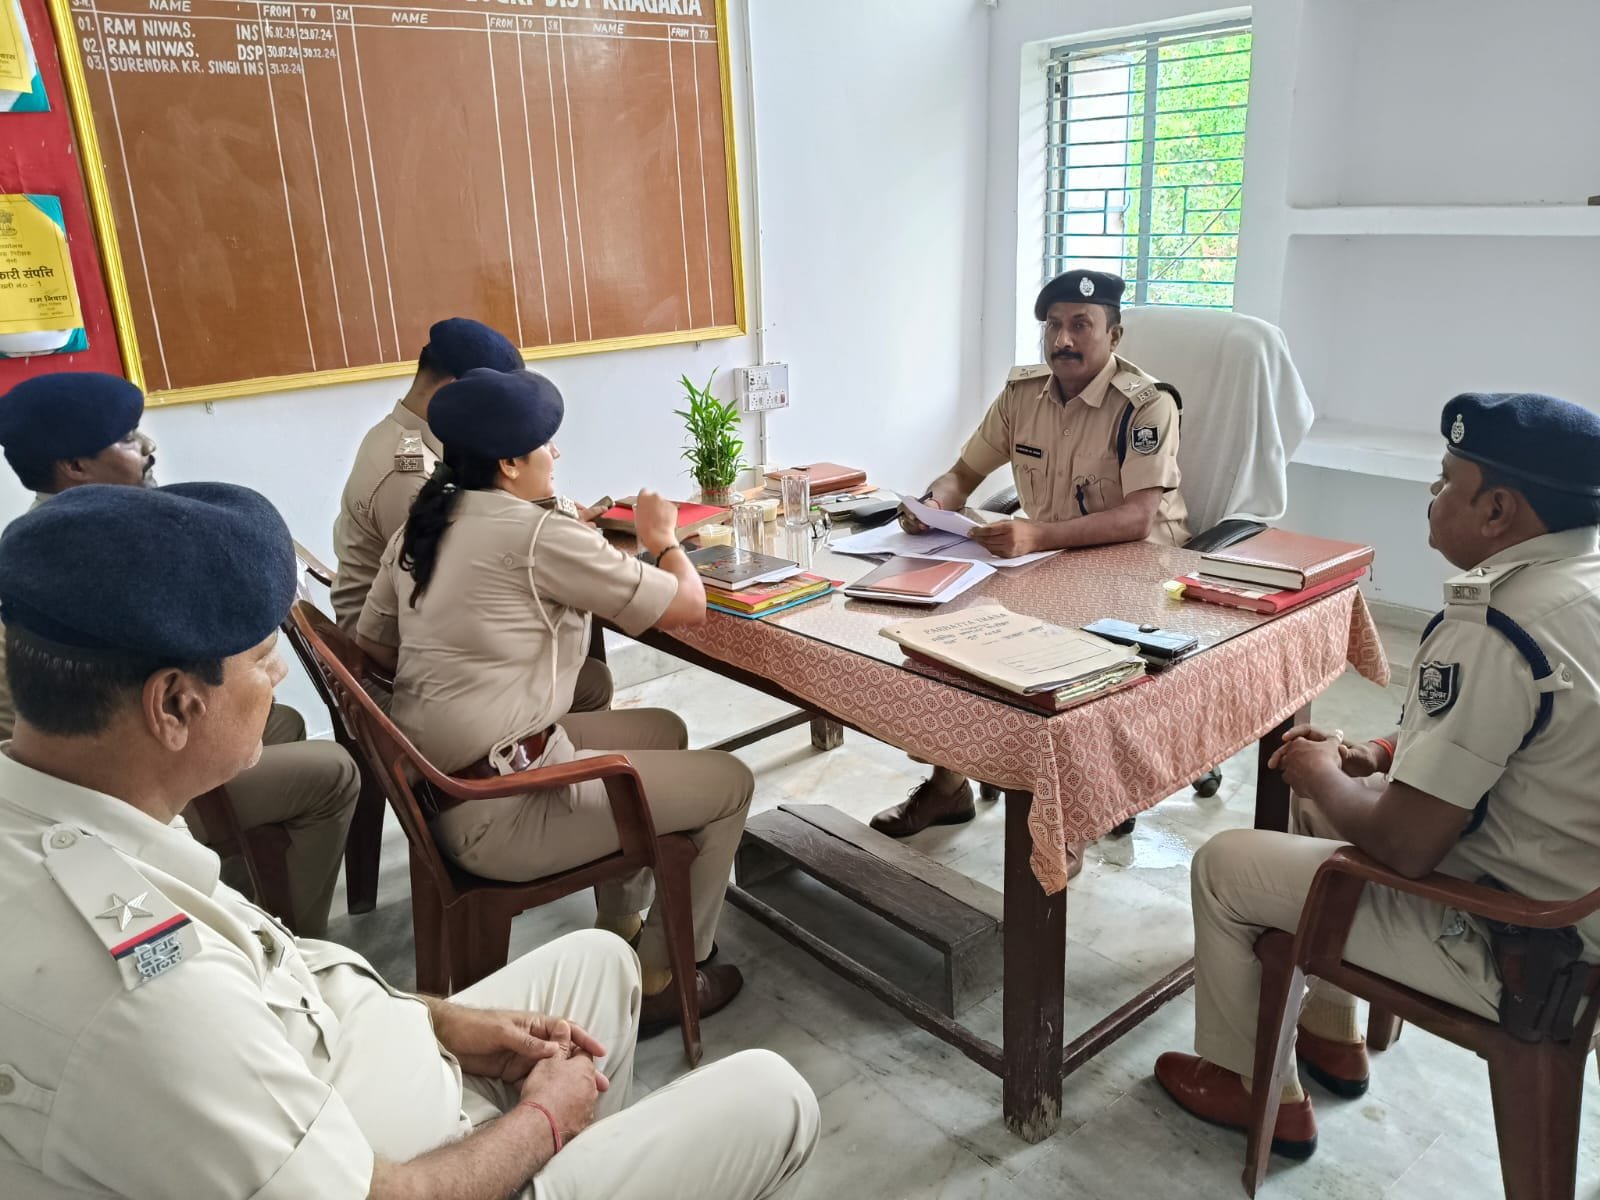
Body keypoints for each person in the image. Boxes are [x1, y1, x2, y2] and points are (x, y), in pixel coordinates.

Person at [0, 481, 818, 1199]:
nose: (277, 676)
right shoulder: (145, 996)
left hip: (375, 1076)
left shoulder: (78, 818)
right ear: (174, 706)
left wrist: (440, 1022)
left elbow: (284, 979)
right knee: (774, 1094)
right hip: (417, 1167)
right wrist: (544, 1120)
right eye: (261, 658)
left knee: (603, 960)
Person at [1155, 391, 1600, 1158]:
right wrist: (1385, 753)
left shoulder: (1498, 624)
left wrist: (1318, 770)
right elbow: (1520, 729)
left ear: (1497, 510)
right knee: (1325, 811)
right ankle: (1333, 1034)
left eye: (1447, 479)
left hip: (1516, 947)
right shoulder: (1577, 582)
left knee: (1225, 866)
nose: (1433, 492)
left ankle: (1251, 1086)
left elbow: (1406, 846)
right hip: (1571, 908)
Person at [357, 368, 753, 1031]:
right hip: (502, 808)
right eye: (546, 442)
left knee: (663, 728)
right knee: (731, 783)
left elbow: (373, 642)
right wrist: (663, 539)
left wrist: (472, 675)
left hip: (446, 786)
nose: (557, 452)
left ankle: (622, 923)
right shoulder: (534, 534)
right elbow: (687, 606)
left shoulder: (425, 521)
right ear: (509, 464)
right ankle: (668, 977)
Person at [0, 371, 358, 936]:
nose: (148, 447)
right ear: (74, 467)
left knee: (283, 721)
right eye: (126, 439)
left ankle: (235, 888)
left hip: (106, 746)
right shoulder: (98, 559)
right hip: (110, 776)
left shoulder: (48, 544)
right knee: (334, 773)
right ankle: (286, 936)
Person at [874, 268, 1191, 840]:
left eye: (1081, 325)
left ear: (1114, 335)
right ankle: (949, 785)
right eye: (1053, 325)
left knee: (1052, 665)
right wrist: (933, 504)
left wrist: (1037, 535)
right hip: (1043, 563)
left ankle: (1074, 814)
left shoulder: (1146, 406)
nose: (1062, 340)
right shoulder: (1023, 395)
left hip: (1135, 573)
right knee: (945, 638)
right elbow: (963, 473)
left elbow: (1138, 519)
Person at [333, 316, 613, 713]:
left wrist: (555, 518)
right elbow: (462, 575)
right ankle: (545, 749)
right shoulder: (408, 475)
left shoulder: (407, 440)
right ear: (455, 391)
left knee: (585, 666)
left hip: (408, 637)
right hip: (392, 667)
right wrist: (556, 535)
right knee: (582, 665)